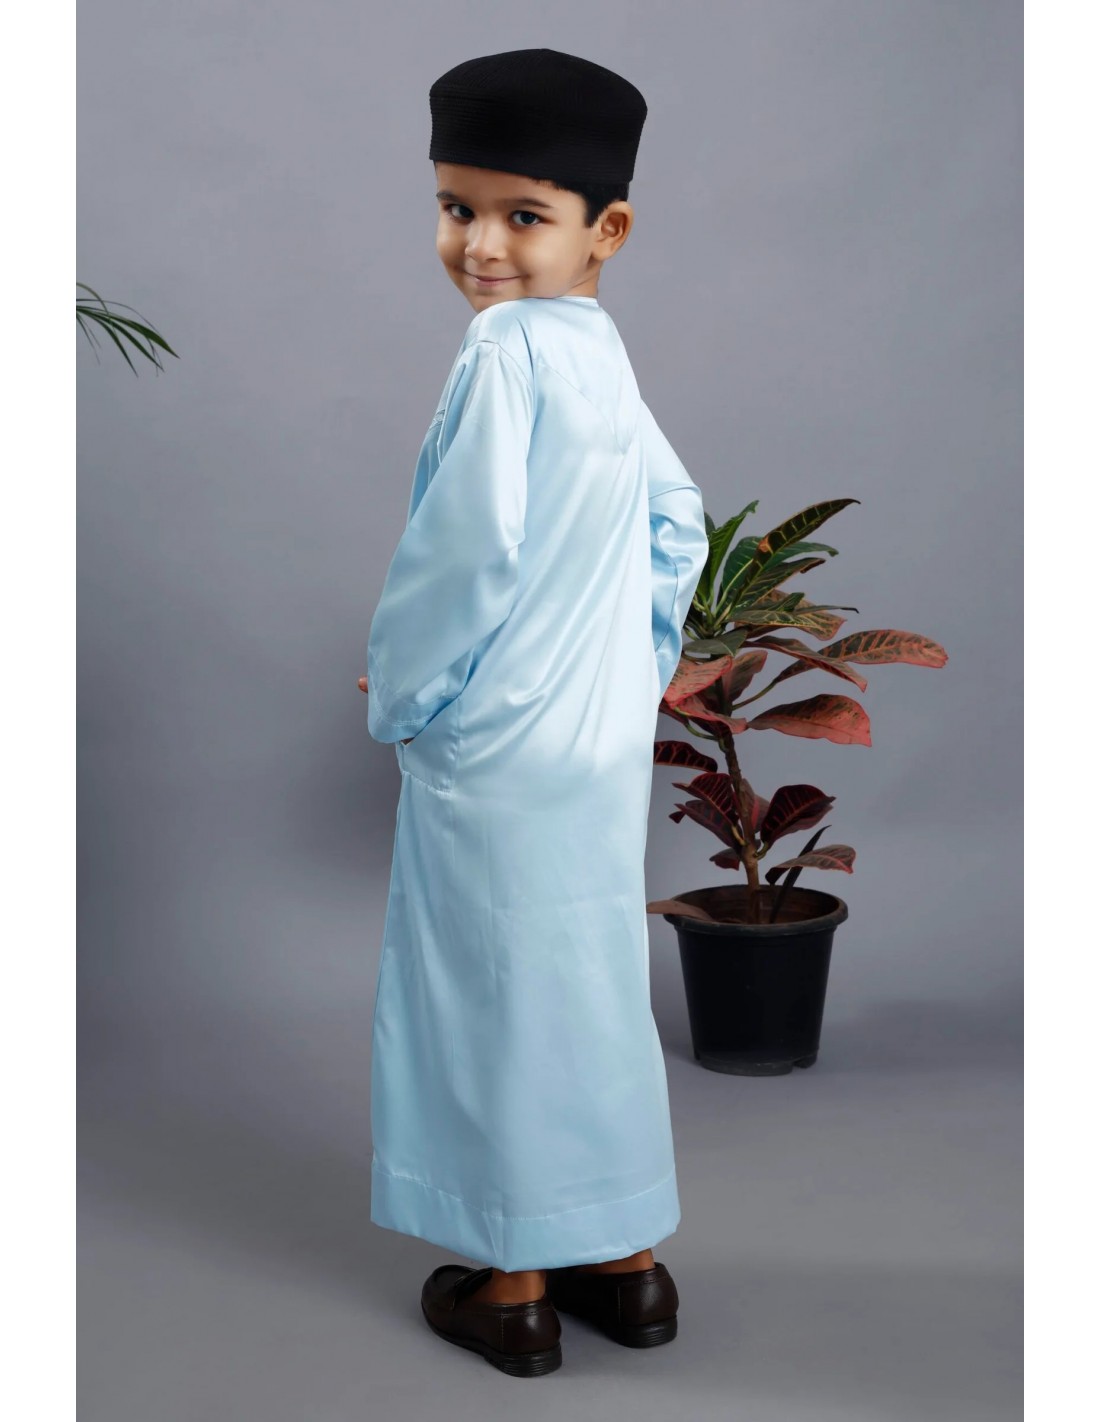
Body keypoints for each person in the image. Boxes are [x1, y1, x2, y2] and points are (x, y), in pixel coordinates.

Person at [359, 48, 709, 1376]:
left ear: (606, 230)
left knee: (486, 991)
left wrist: (406, 697)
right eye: (456, 208)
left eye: (522, 214)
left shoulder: (502, 351)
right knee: (590, 983)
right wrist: (627, 667)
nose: (481, 246)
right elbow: (676, 521)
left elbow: (462, 557)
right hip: (595, 743)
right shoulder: (600, 353)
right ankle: (626, 1264)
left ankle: (510, 1279)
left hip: (497, 749)